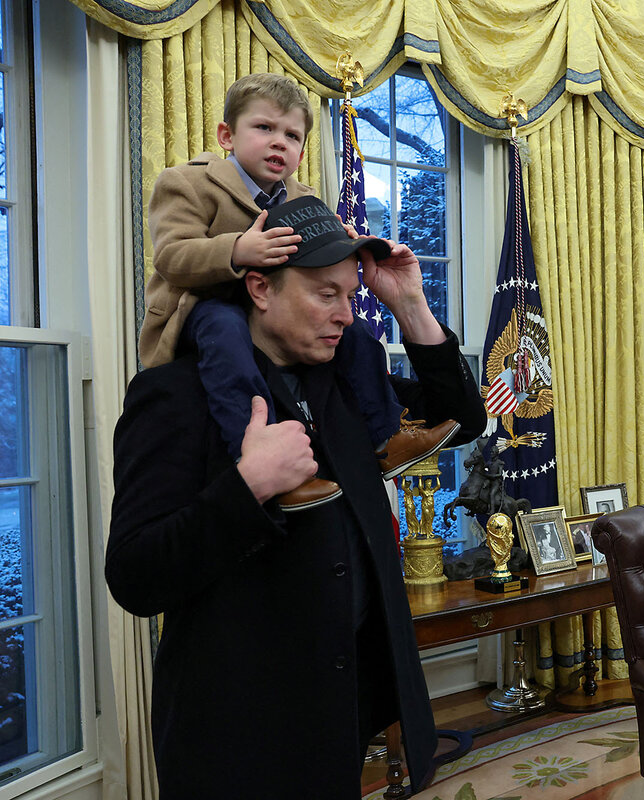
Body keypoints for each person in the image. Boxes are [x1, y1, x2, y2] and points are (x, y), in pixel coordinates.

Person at [106, 196, 487, 799]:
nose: (345, 314)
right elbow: (134, 575)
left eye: (350, 294)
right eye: (323, 294)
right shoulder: (173, 395)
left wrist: (410, 303)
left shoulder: (340, 381)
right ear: (260, 288)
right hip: (241, 733)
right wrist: (248, 485)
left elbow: (464, 420)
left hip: (341, 711)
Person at [140, 72, 458, 512]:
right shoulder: (188, 183)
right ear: (226, 136)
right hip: (206, 304)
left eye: (291, 135)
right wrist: (237, 249)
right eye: (264, 128)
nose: (278, 143)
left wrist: (339, 242)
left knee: (358, 334)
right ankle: (261, 452)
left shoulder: (302, 197)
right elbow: (171, 256)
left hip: (271, 314)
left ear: (303, 151)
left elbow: (316, 263)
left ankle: (387, 437)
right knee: (225, 331)